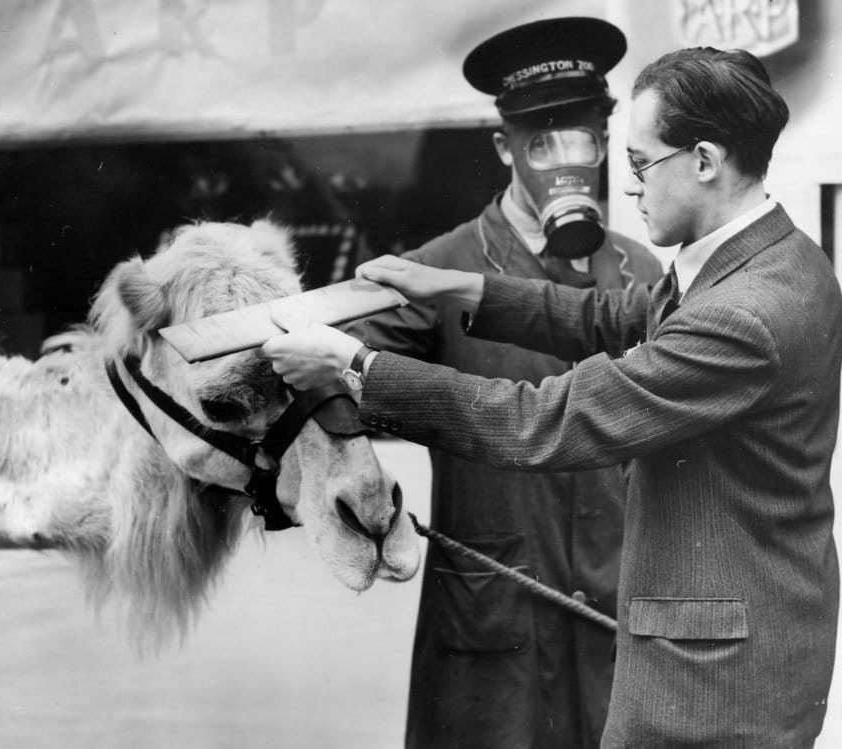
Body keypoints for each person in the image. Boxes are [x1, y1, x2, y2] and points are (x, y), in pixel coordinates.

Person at [261, 46, 842, 748]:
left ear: (705, 160)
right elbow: (611, 316)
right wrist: (462, 287)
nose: (624, 188)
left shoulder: (741, 312)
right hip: (741, 645)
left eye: (637, 163)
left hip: (710, 686)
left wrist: (356, 364)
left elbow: (543, 421)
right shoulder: (771, 258)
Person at [341, 17, 661, 749]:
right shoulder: (440, 267)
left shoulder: (644, 276)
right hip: (492, 646)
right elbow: (330, 372)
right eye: (538, 142)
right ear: (503, 148)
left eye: (579, 136)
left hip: (621, 642)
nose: (562, 159)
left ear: (607, 140)